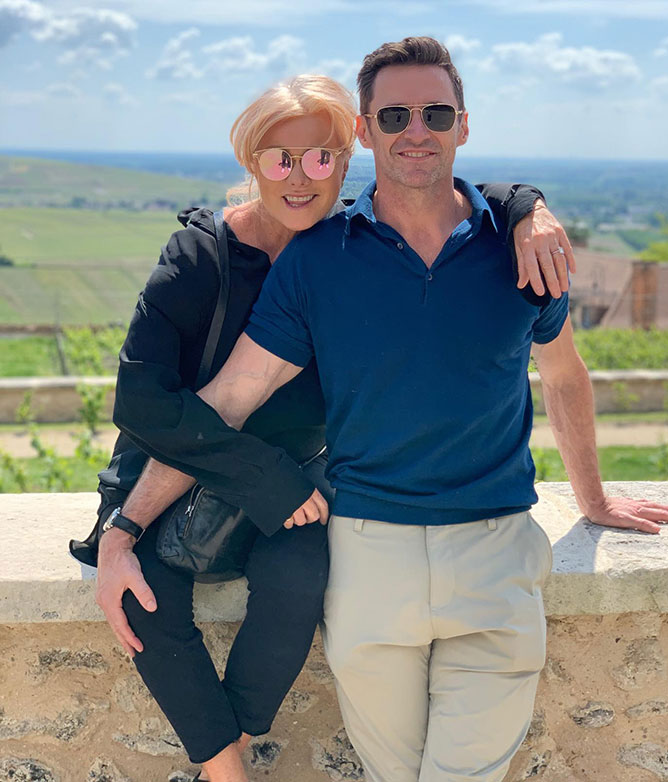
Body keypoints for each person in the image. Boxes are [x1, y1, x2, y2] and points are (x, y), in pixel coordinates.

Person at [71, 68, 585, 782]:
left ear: (347, 157)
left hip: (318, 491)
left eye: (320, 158)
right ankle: (228, 770)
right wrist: (123, 531)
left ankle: (243, 735)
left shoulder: (346, 249)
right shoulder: (209, 257)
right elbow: (167, 406)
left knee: (300, 578)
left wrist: (527, 204)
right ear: (253, 163)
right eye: (281, 160)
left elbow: (453, 190)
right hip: (186, 464)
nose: (302, 176)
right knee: (148, 601)